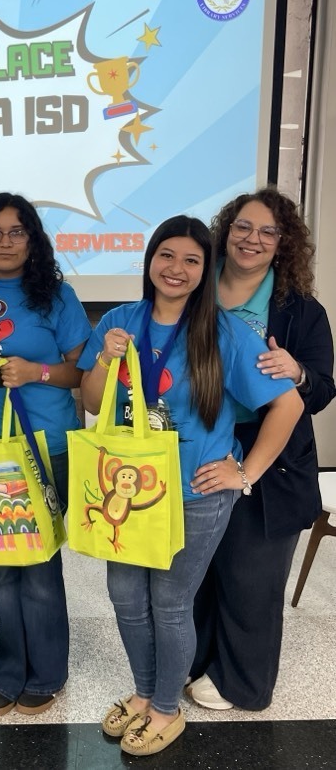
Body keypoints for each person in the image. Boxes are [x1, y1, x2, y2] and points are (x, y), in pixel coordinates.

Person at [78, 215, 304, 756]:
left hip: (197, 493)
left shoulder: (225, 331)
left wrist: (244, 473)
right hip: (128, 494)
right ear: (149, 260)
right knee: (125, 596)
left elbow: (288, 403)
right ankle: (143, 692)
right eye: (166, 256)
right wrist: (107, 360)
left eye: (192, 260)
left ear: (206, 271)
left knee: (171, 602)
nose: (176, 269)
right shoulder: (120, 320)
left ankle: (164, 708)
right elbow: (89, 402)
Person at [188, 187, 335, 711]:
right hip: (202, 445)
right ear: (226, 232)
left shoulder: (300, 312)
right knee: (201, 569)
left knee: (252, 576)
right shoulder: (194, 290)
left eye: (267, 232)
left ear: (282, 244)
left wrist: (297, 372)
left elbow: (320, 388)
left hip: (268, 461)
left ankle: (242, 683)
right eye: (243, 227)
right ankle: (199, 660)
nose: (253, 239)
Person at [0, 193, 90, 715]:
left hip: (46, 446)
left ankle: (48, 670)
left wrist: (37, 372)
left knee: (40, 563)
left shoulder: (56, 295)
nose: (5, 242)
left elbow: (85, 372)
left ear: (33, 239)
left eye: (17, 231)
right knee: (2, 566)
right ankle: (9, 668)